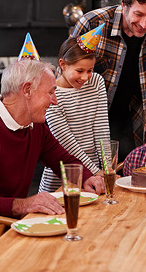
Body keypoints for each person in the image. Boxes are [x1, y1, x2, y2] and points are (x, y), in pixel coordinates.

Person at [0, 37, 104, 269]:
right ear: (27, 90)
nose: (55, 101)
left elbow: (61, 158)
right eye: (51, 93)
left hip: (5, 226)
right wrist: (21, 205)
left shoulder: (35, 127)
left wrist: (89, 177)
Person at [71, 0, 146, 161]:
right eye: (138, 14)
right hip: (88, 121)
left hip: (132, 124)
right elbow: (67, 77)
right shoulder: (91, 23)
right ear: (124, 5)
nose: (144, 24)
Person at [39, 24, 111, 192]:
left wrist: (106, 169)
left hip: (95, 173)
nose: (85, 77)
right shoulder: (52, 92)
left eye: (90, 70)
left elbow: (101, 129)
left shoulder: (97, 82)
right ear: (63, 64)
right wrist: (94, 171)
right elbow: (66, 142)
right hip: (63, 173)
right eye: (79, 71)